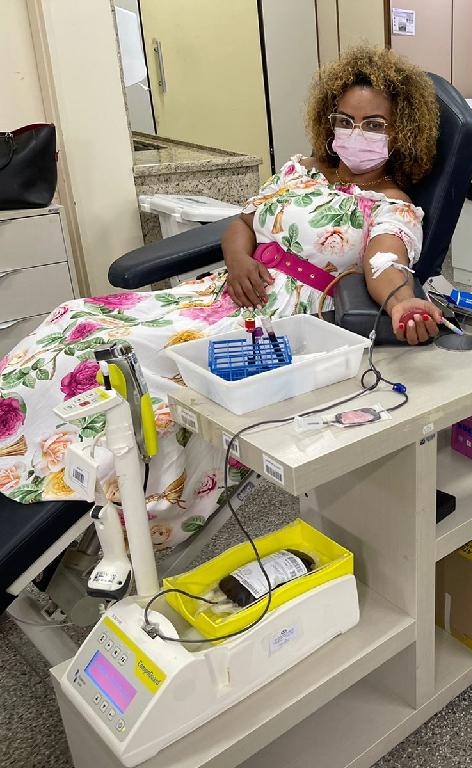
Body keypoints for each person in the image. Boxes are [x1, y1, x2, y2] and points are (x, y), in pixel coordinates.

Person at [0, 46, 443, 547]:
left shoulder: (390, 205)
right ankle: (17, 447)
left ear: (402, 132)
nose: (355, 134)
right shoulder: (301, 170)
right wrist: (237, 261)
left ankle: (78, 481)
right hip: (224, 291)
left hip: (276, 323)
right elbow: (242, 223)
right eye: (345, 120)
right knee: (78, 320)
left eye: (374, 125)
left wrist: (401, 301)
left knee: (131, 374)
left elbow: (386, 262)